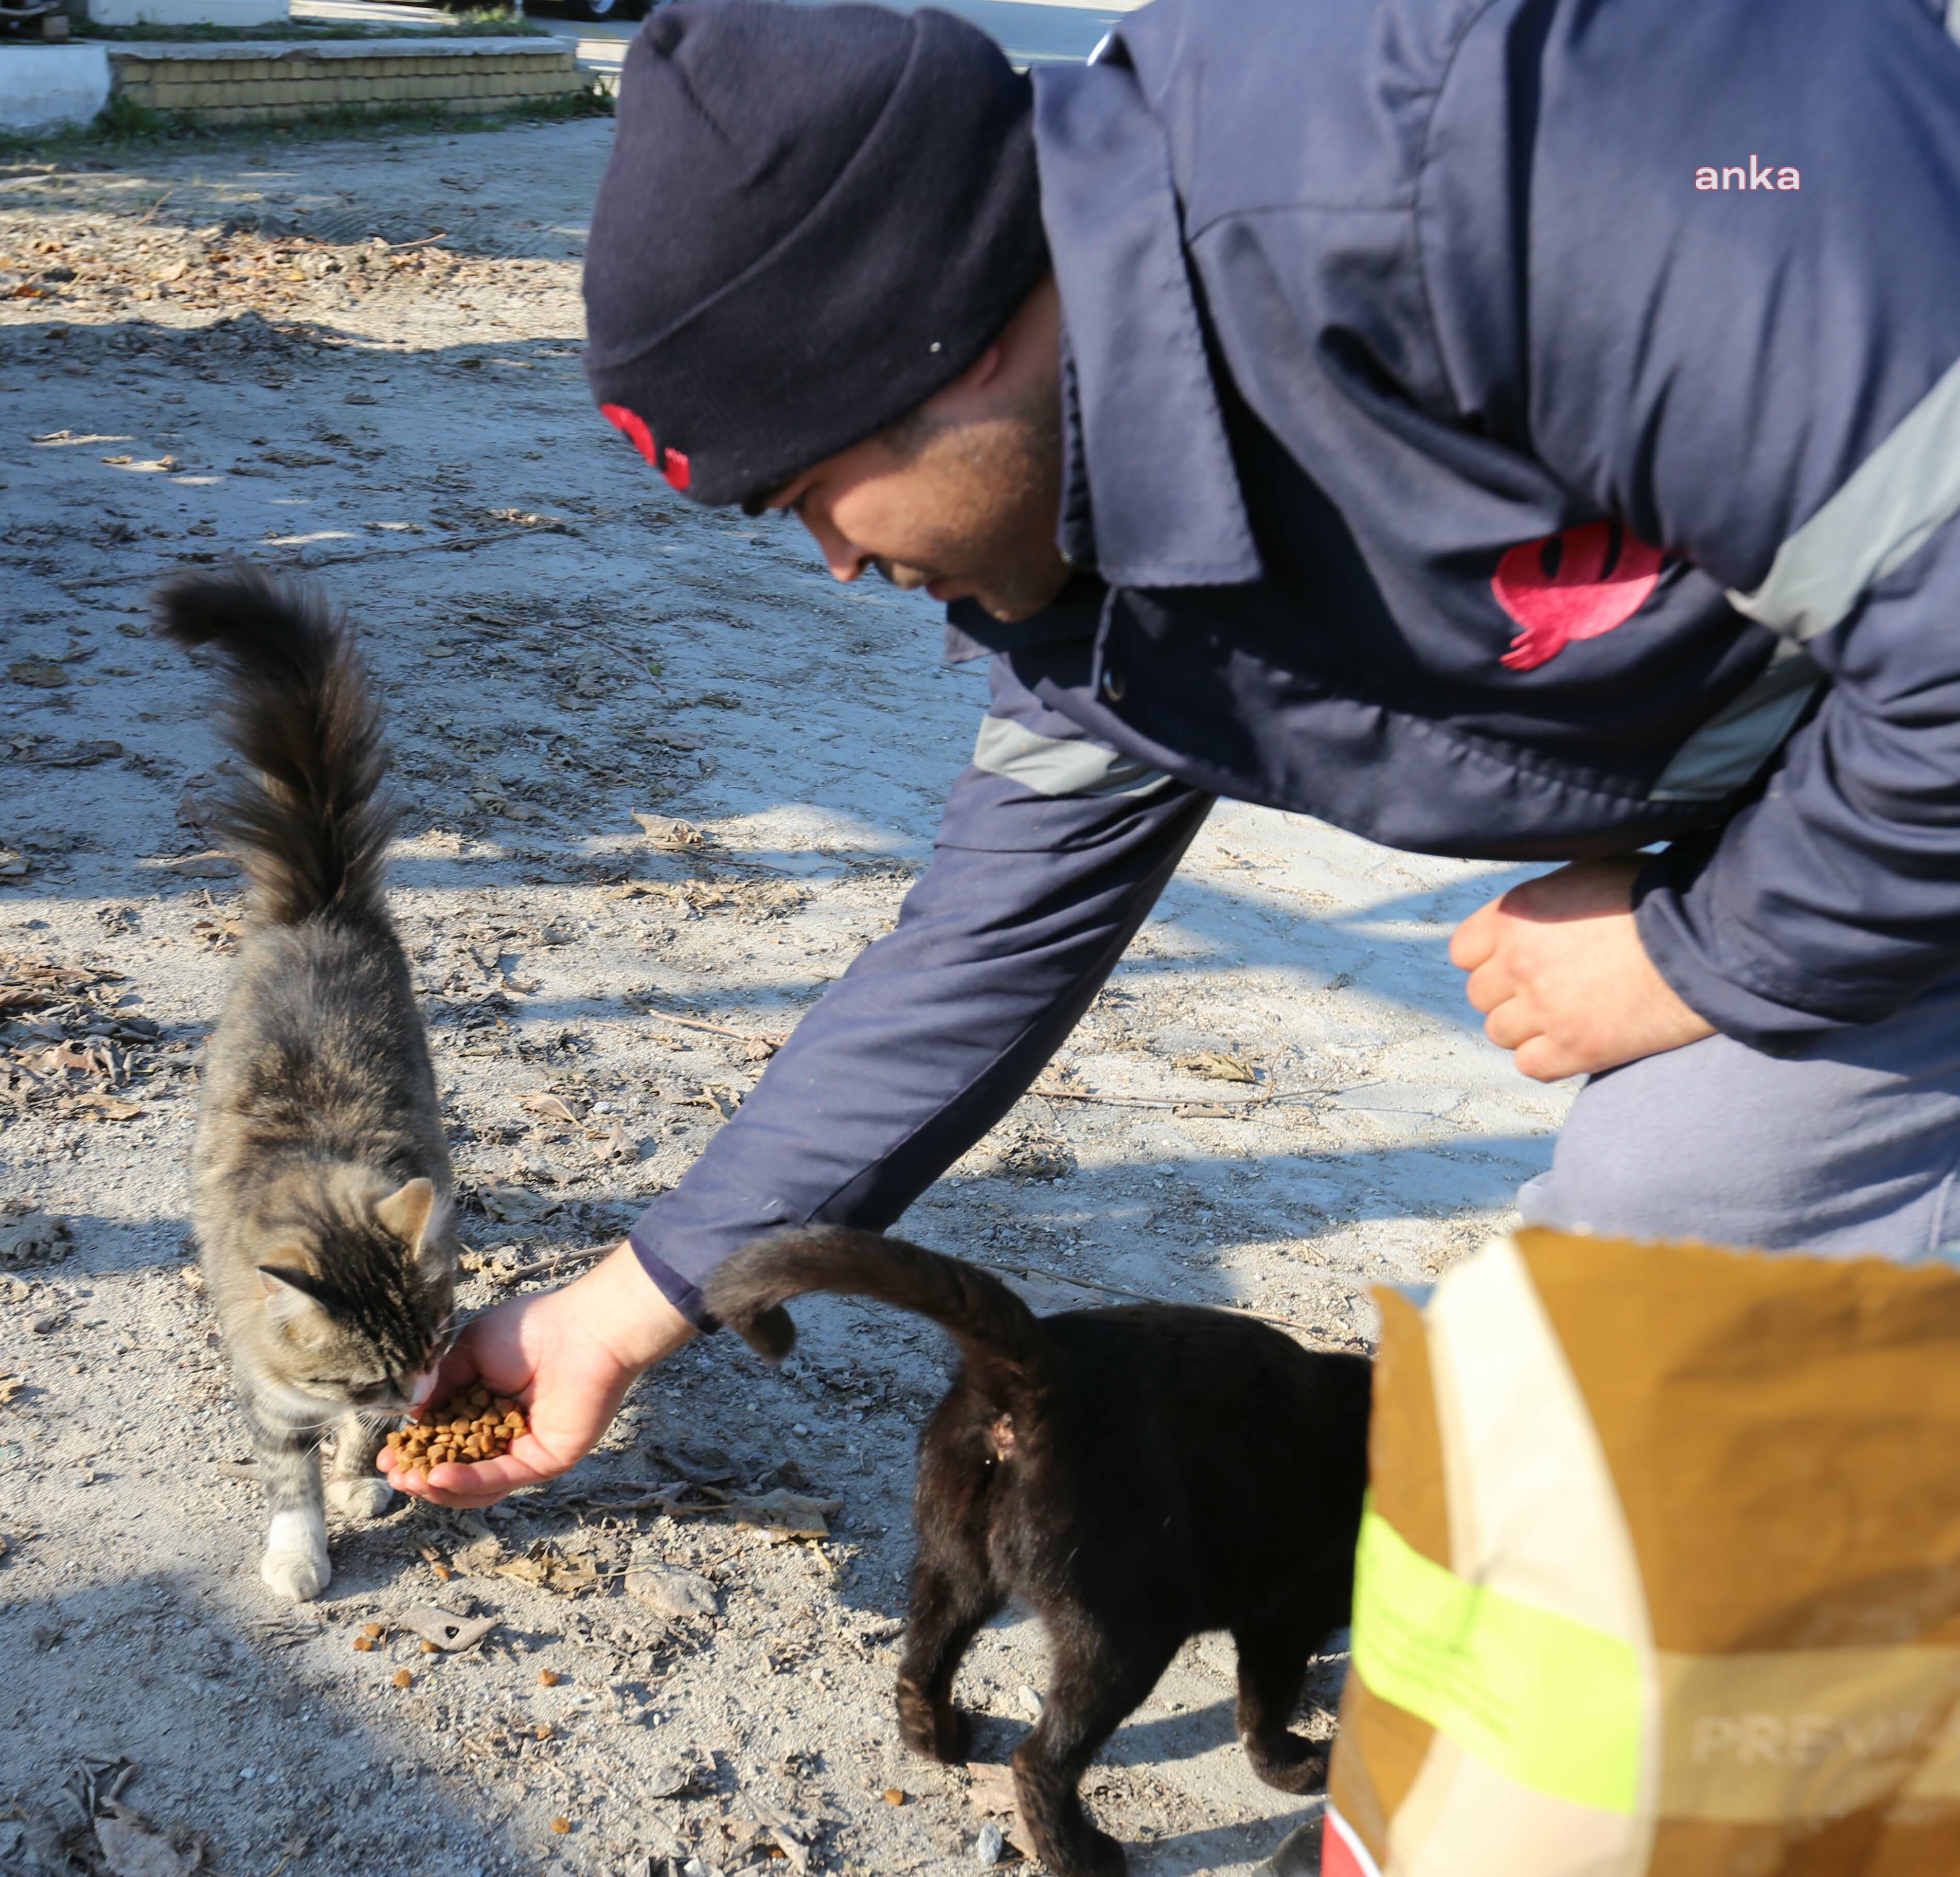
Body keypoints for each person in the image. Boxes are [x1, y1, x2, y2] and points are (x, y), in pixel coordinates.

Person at [383, 0, 1960, 1572]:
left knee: (1706, 1329)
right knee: (1667, 1252)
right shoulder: (1089, 585)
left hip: (1902, 758)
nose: (842, 562)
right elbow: (976, 957)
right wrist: (618, 1308)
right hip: (1852, 782)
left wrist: (1706, 949)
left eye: (812, 492)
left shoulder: (1509, 144)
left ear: (953, 332)